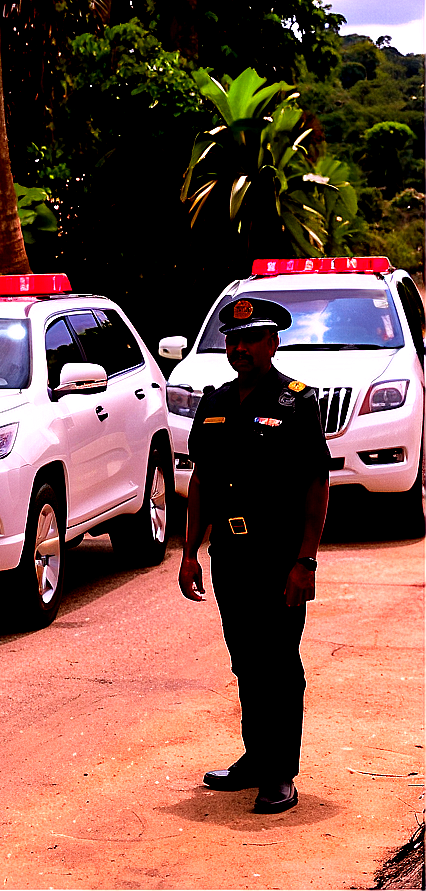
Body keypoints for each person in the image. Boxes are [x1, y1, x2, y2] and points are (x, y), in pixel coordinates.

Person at [178, 296, 330, 814]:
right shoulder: (215, 402)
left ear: (273, 342)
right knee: (245, 659)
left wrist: (305, 561)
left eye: (251, 339)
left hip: (278, 553)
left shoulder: (296, 402)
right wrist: (190, 551)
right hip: (231, 555)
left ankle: (280, 773)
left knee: (279, 662)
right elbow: (201, 479)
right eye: (233, 340)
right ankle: (255, 756)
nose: (239, 347)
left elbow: (316, 483)